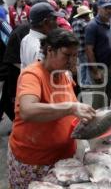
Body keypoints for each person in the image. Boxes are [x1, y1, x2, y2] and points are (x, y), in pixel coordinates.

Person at [7, 28, 96, 188]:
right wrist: (70, 108)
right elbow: (27, 110)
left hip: (63, 158)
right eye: (67, 55)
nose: (72, 61)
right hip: (35, 162)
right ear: (50, 51)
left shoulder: (63, 74)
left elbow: (71, 109)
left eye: (75, 55)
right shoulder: (32, 75)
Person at [85, 0, 111, 109]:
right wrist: (96, 71)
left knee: (108, 96)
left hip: (109, 66)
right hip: (99, 67)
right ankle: (95, 125)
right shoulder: (92, 26)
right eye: (106, 8)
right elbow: (89, 49)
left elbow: (108, 42)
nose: (109, 10)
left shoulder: (109, 23)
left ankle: (105, 121)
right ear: (99, 9)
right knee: (99, 101)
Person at [20, 2, 63, 69]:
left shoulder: (26, 39)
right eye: (54, 19)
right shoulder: (41, 49)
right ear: (45, 22)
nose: (57, 23)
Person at [72, 5, 93, 88]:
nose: (88, 16)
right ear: (84, 15)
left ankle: (83, 82)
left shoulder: (74, 22)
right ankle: (87, 83)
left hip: (78, 48)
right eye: (87, 15)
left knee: (83, 65)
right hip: (84, 48)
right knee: (88, 65)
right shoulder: (83, 23)